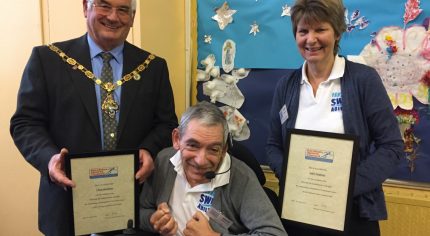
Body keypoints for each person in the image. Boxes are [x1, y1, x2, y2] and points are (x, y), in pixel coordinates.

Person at [10, 0, 178, 235]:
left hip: (132, 207)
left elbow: (167, 124)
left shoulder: (153, 67)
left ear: (132, 17)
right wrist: (50, 159)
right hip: (66, 205)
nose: (113, 17)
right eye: (104, 6)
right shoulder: (47, 59)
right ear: (85, 7)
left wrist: (148, 150)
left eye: (123, 10)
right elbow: (25, 123)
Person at [266, 0, 404, 235]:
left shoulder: (364, 80)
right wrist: (292, 176)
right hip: (298, 212)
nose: (311, 39)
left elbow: (391, 146)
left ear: (337, 32)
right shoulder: (286, 86)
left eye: (320, 29)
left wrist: (345, 185)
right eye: (303, 31)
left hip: (353, 213)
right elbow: (273, 146)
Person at [140, 101, 287, 236]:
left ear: (224, 150)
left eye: (213, 149)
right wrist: (153, 221)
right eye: (192, 145)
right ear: (177, 139)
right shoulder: (163, 161)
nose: (201, 161)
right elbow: (141, 212)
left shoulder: (242, 177)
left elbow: (275, 233)